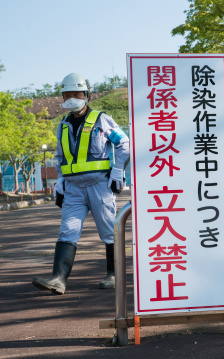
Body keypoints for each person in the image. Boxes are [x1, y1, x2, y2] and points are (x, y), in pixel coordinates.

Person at [32, 73, 130, 295]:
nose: (71, 98)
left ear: (87, 95)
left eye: (76, 93)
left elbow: (123, 143)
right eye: (67, 94)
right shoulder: (63, 125)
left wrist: (117, 171)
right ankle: (58, 279)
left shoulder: (102, 120)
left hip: (99, 185)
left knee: (108, 230)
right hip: (73, 189)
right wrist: (60, 181)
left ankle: (114, 275)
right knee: (67, 230)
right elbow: (61, 157)